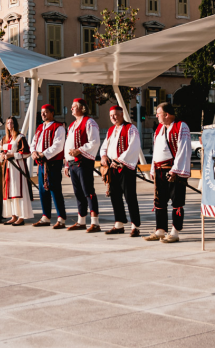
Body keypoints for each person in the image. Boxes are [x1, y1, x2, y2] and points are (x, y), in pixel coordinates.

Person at [146, 103, 192, 243]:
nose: (156, 116)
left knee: (177, 201)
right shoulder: (159, 128)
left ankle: (175, 232)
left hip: (172, 170)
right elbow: (156, 150)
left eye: (158, 113)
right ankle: (160, 230)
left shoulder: (181, 126)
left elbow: (183, 150)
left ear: (166, 114)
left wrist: (175, 170)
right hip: (159, 169)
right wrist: (153, 169)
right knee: (159, 201)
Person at [100, 105, 143, 237]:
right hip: (112, 167)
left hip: (125, 167)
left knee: (130, 197)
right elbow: (104, 146)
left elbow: (134, 147)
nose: (113, 117)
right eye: (111, 115)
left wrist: (119, 160)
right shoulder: (111, 130)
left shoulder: (131, 128)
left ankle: (135, 226)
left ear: (122, 114)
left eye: (115, 115)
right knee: (115, 196)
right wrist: (103, 156)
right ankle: (119, 224)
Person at [63, 98, 101, 233]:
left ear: (81, 108)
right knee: (78, 193)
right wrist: (66, 164)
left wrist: (79, 150)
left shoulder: (89, 122)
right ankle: (81, 221)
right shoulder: (72, 125)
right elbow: (67, 145)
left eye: (74, 106)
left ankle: (95, 222)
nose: (71, 108)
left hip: (83, 161)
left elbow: (95, 142)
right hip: (73, 162)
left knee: (88, 191)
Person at [31, 104, 67, 229]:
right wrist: (34, 152)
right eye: (42, 112)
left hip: (53, 163)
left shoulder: (59, 127)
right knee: (42, 190)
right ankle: (45, 217)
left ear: (52, 113)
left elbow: (58, 146)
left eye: (45, 112)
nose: (43, 114)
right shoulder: (40, 127)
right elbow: (34, 142)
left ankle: (61, 218)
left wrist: (43, 154)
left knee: (55, 189)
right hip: (41, 164)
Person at [0, 116, 34, 225]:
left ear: (15, 124)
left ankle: (21, 216)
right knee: (9, 191)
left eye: (12, 123)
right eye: (8, 123)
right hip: (7, 168)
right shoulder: (5, 138)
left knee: (18, 190)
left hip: (17, 167)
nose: (10, 125)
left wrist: (12, 155)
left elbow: (27, 153)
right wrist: (1, 155)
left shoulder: (20, 137)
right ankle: (13, 216)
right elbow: (0, 151)